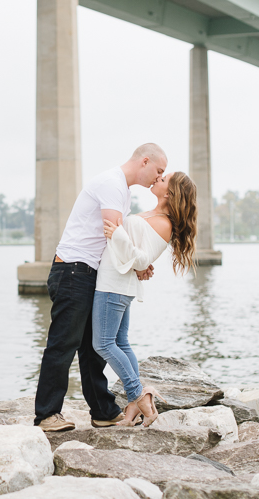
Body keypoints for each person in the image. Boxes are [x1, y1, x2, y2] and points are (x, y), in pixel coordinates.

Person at [34, 143, 168, 432]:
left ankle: (103, 411)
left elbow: (118, 241)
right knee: (63, 342)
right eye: (158, 171)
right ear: (144, 161)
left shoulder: (124, 190)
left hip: (88, 271)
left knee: (92, 348)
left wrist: (138, 262)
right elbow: (114, 232)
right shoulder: (112, 184)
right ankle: (46, 414)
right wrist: (139, 264)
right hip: (73, 268)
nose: (158, 178)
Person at [92, 171, 197, 427]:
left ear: (169, 192)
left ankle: (139, 394)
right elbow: (139, 258)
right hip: (119, 281)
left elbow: (142, 259)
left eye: (164, 179)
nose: (158, 178)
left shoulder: (164, 223)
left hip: (114, 285)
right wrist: (122, 239)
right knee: (121, 342)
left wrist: (116, 233)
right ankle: (132, 408)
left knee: (103, 344)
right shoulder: (152, 214)